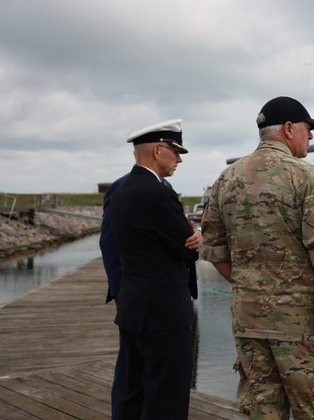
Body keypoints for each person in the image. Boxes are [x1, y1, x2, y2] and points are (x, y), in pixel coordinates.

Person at [200, 96, 314, 420]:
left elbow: (213, 251)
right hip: (302, 326)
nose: (310, 135)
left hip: (249, 320)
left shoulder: (226, 179)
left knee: (262, 411)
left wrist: (252, 285)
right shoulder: (307, 178)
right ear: (288, 129)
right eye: (307, 128)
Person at [107, 119, 200, 420]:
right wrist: (198, 238)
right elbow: (185, 248)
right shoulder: (158, 193)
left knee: (133, 393)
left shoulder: (121, 191)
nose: (180, 159)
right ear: (158, 150)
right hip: (164, 313)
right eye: (175, 151)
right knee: (167, 398)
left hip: (134, 307)